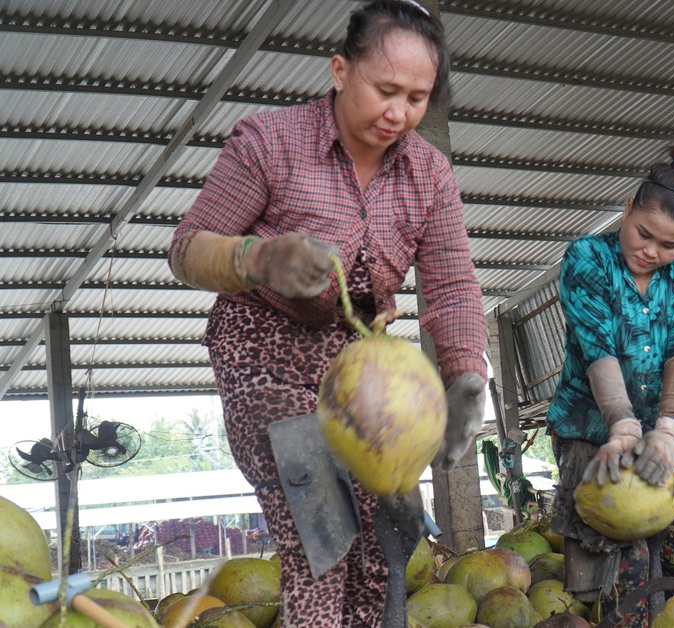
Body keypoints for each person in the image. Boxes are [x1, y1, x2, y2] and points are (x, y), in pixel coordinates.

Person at [167, 1, 488, 624]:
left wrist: (466, 372)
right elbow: (186, 249)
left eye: (418, 98)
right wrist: (258, 259)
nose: (399, 113)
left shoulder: (430, 174)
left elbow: (451, 287)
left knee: (383, 543)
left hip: (359, 368)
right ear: (340, 70)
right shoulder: (270, 143)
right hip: (262, 354)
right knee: (321, 530)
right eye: (385, 89)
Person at [547, 145, 674, 627]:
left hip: (660, 429)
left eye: (670, 245)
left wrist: (669, 430)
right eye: (644, 233)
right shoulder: (587, 258)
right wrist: (622, 427)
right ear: (627, 208)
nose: (651, 251)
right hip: (589, 427)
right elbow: (596, 350)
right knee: (627, 558)